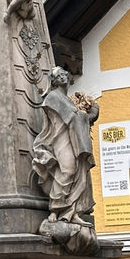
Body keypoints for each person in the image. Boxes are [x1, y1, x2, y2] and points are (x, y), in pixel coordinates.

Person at [32, 66, 98, 225]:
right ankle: (55, 210)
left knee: (77, 173)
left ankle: (72, 212)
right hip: (60, 140)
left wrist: (90, 115)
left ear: (68, 78)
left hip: (73, 140)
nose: (61, 77)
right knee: (67, 170)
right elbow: (72, 117)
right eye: (57, 75)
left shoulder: (68, 100)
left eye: (63, 74)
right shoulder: (53, 98)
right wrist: (89, 116)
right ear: (54, 81)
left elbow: (76, 117)